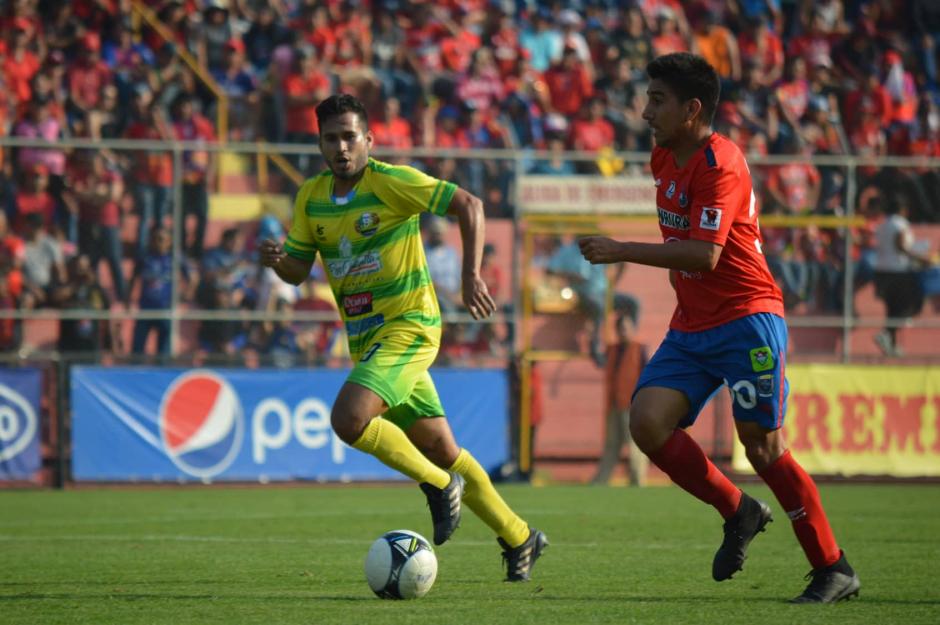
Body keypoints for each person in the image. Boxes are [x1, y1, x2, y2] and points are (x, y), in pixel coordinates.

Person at [578, 53, 860, 603]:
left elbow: (706, 254)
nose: (644, 112)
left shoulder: (721, 162)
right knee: (647, 423)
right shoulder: (664, 157)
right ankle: (740, 511)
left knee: (763, 447)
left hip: (746, 319)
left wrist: (621, 251)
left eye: (657, 100)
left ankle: (833, 567)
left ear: (692, 109)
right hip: (692, 325)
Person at [259, 94, 547, 582]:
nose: (342, 147)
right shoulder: (311, 196)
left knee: (349, 419)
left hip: (410, 327)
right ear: (320, 144)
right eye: (332, 138)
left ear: (369, 140)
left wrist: (470, 275)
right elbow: (297, 270)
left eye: (350, 137)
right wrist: (279, 261)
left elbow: (469, 205)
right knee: (443, 447)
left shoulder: (392, 183)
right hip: (369, 341)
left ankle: (438, 486)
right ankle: (521, 536)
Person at [591, 311, 648, 487]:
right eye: (620, 328)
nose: (623, 331)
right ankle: (600, 481)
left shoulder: (640, 349)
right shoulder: (612, 349)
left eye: (626, 328)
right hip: (614, 403)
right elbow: (599, 361)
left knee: (635, 445)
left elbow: (647, 376)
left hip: (633, 404)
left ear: (632, 329)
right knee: (611, 444)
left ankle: (637, 481)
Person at [872, 198, 931, 356]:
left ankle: (891, 344)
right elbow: (901, 246)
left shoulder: (882, 224)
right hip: (898, 271)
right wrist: (920, 258)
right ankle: (886, 333)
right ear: (902, 209)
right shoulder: (899, 223)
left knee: (892, 309)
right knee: (913, 305)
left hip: (881, 271)